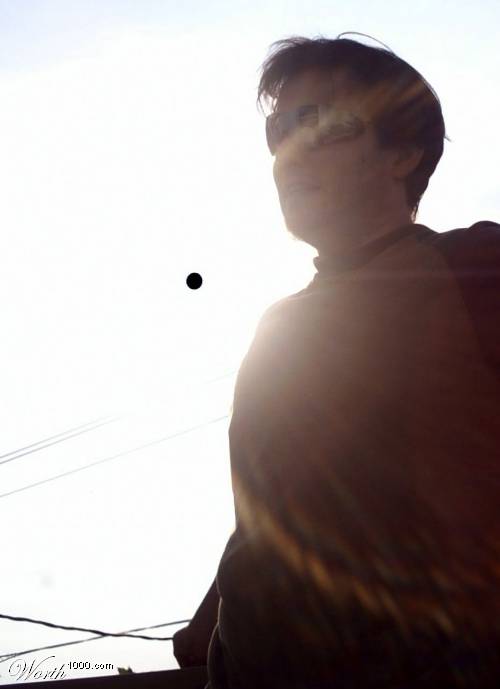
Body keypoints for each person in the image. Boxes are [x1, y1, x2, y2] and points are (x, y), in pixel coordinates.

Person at [173, 33, 500, 687]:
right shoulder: (276, 328)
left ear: (403, 152)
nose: (291, 151)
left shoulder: (478, 267)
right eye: (279, 131)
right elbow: (270, 519)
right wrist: (208, 631)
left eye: (324, 123)